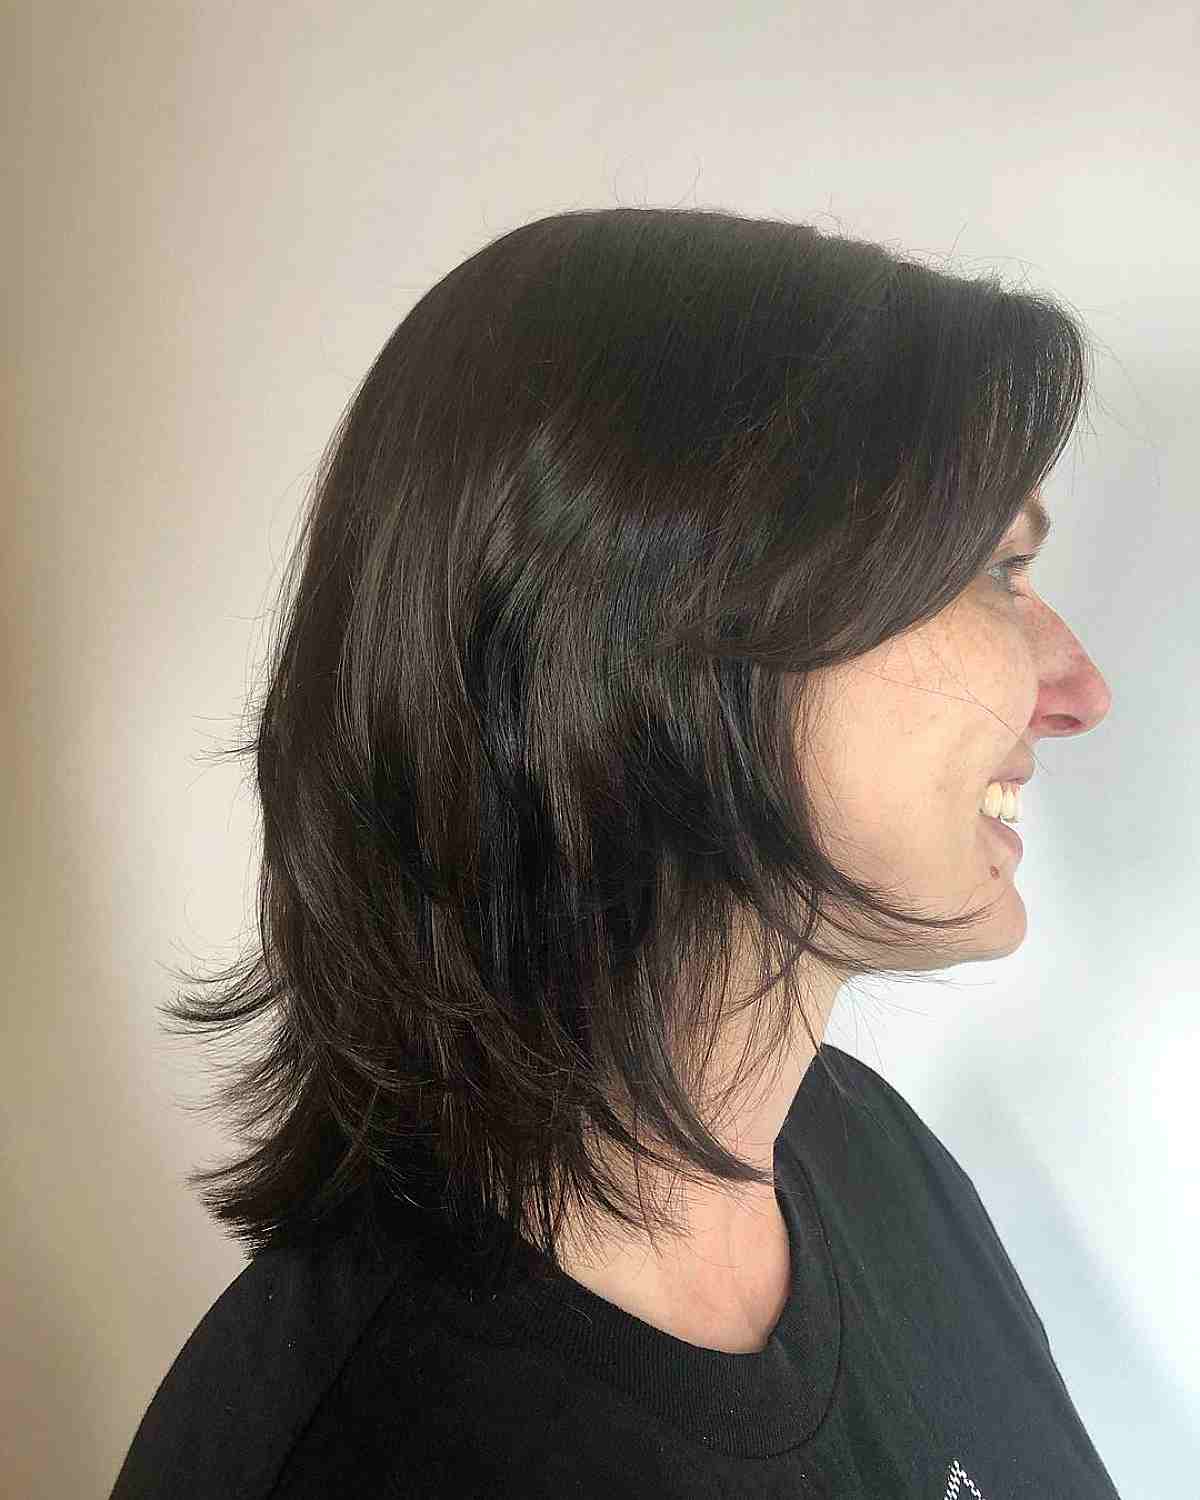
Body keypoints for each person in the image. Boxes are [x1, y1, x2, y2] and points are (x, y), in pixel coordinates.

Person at [109, 207, 1120, 1498]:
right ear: (655, 646)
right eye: (997, 570)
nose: (1079, 691)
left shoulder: (863, 1152)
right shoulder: (375, 1457)